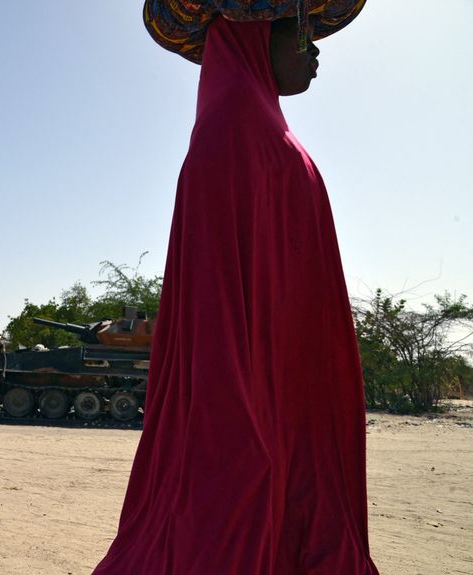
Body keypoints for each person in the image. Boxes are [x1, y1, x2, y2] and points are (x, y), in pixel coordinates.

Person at [94, 5, 379, 574]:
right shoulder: (230, 132)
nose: (315, 52)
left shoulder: (262, 126)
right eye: (301, 34)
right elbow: (215, 312)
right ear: (254, 37)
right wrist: (243, 441)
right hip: (249, 417)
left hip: (290, 398)